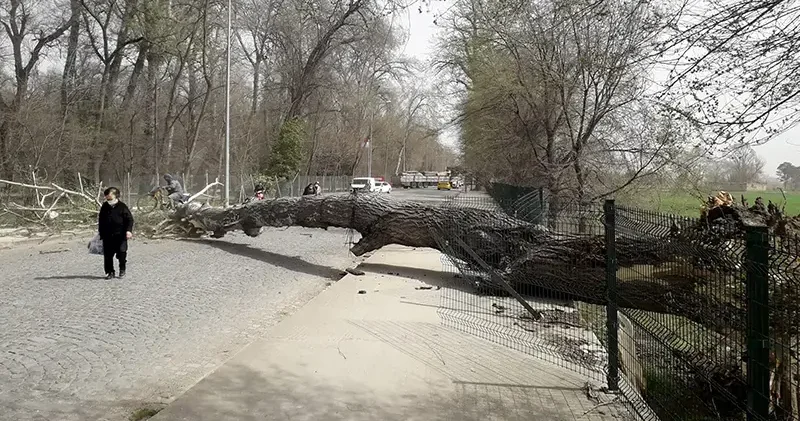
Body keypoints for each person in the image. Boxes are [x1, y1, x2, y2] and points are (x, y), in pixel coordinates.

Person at [98, 187, 134, 279]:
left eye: (109, 197)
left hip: (120, 235)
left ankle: (122, 269)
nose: (108, 199)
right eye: (106, 197)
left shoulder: (122, 206)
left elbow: (129, 219)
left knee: (122, 253)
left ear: (116, 196)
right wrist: (101, 233)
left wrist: (129, 231)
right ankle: (110, 272)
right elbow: (101, 220)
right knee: (108, 255)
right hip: (107, 235)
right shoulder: (105, 206)